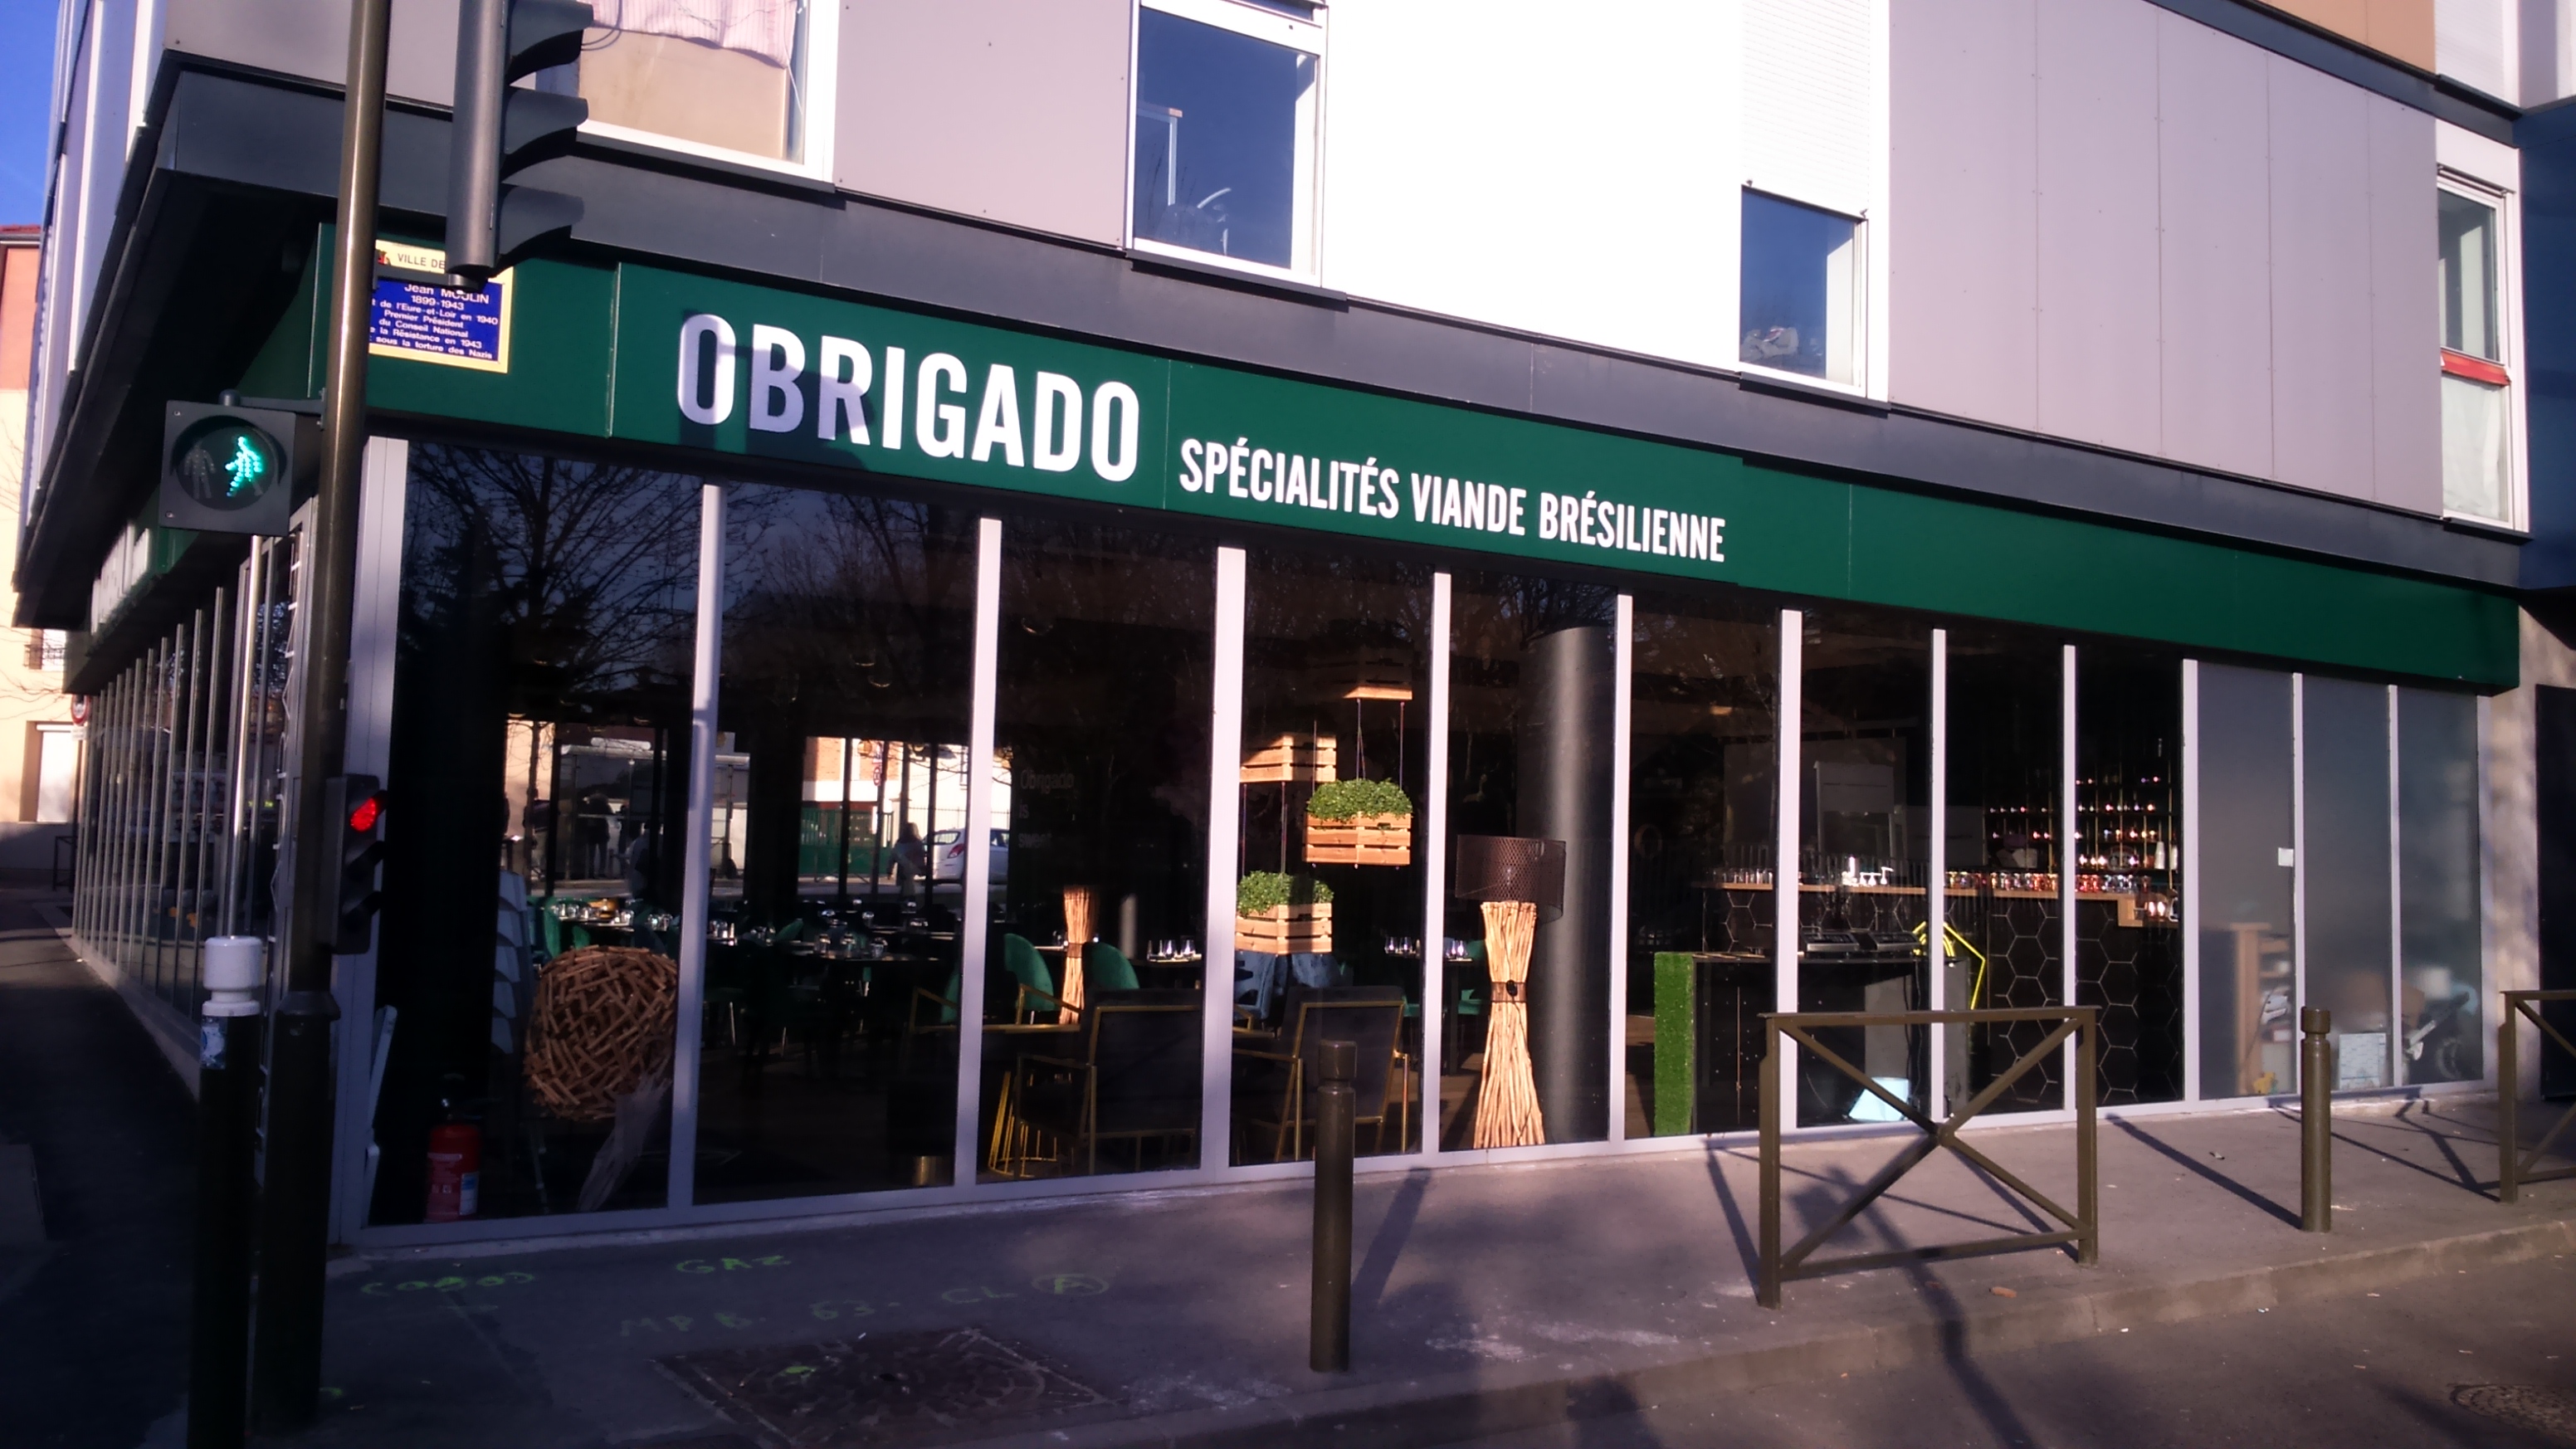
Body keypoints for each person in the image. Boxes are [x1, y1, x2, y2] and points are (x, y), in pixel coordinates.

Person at [893, 821, 927, 897]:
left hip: (902, 867)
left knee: (905, 883)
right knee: (910, 883)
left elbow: (894, 855)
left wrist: (889, 869)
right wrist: (922, 867)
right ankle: (910, 897)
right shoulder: (917, 842)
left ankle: (905, 896)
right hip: (914, 866)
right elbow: (921, 855)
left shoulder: (899, 842)